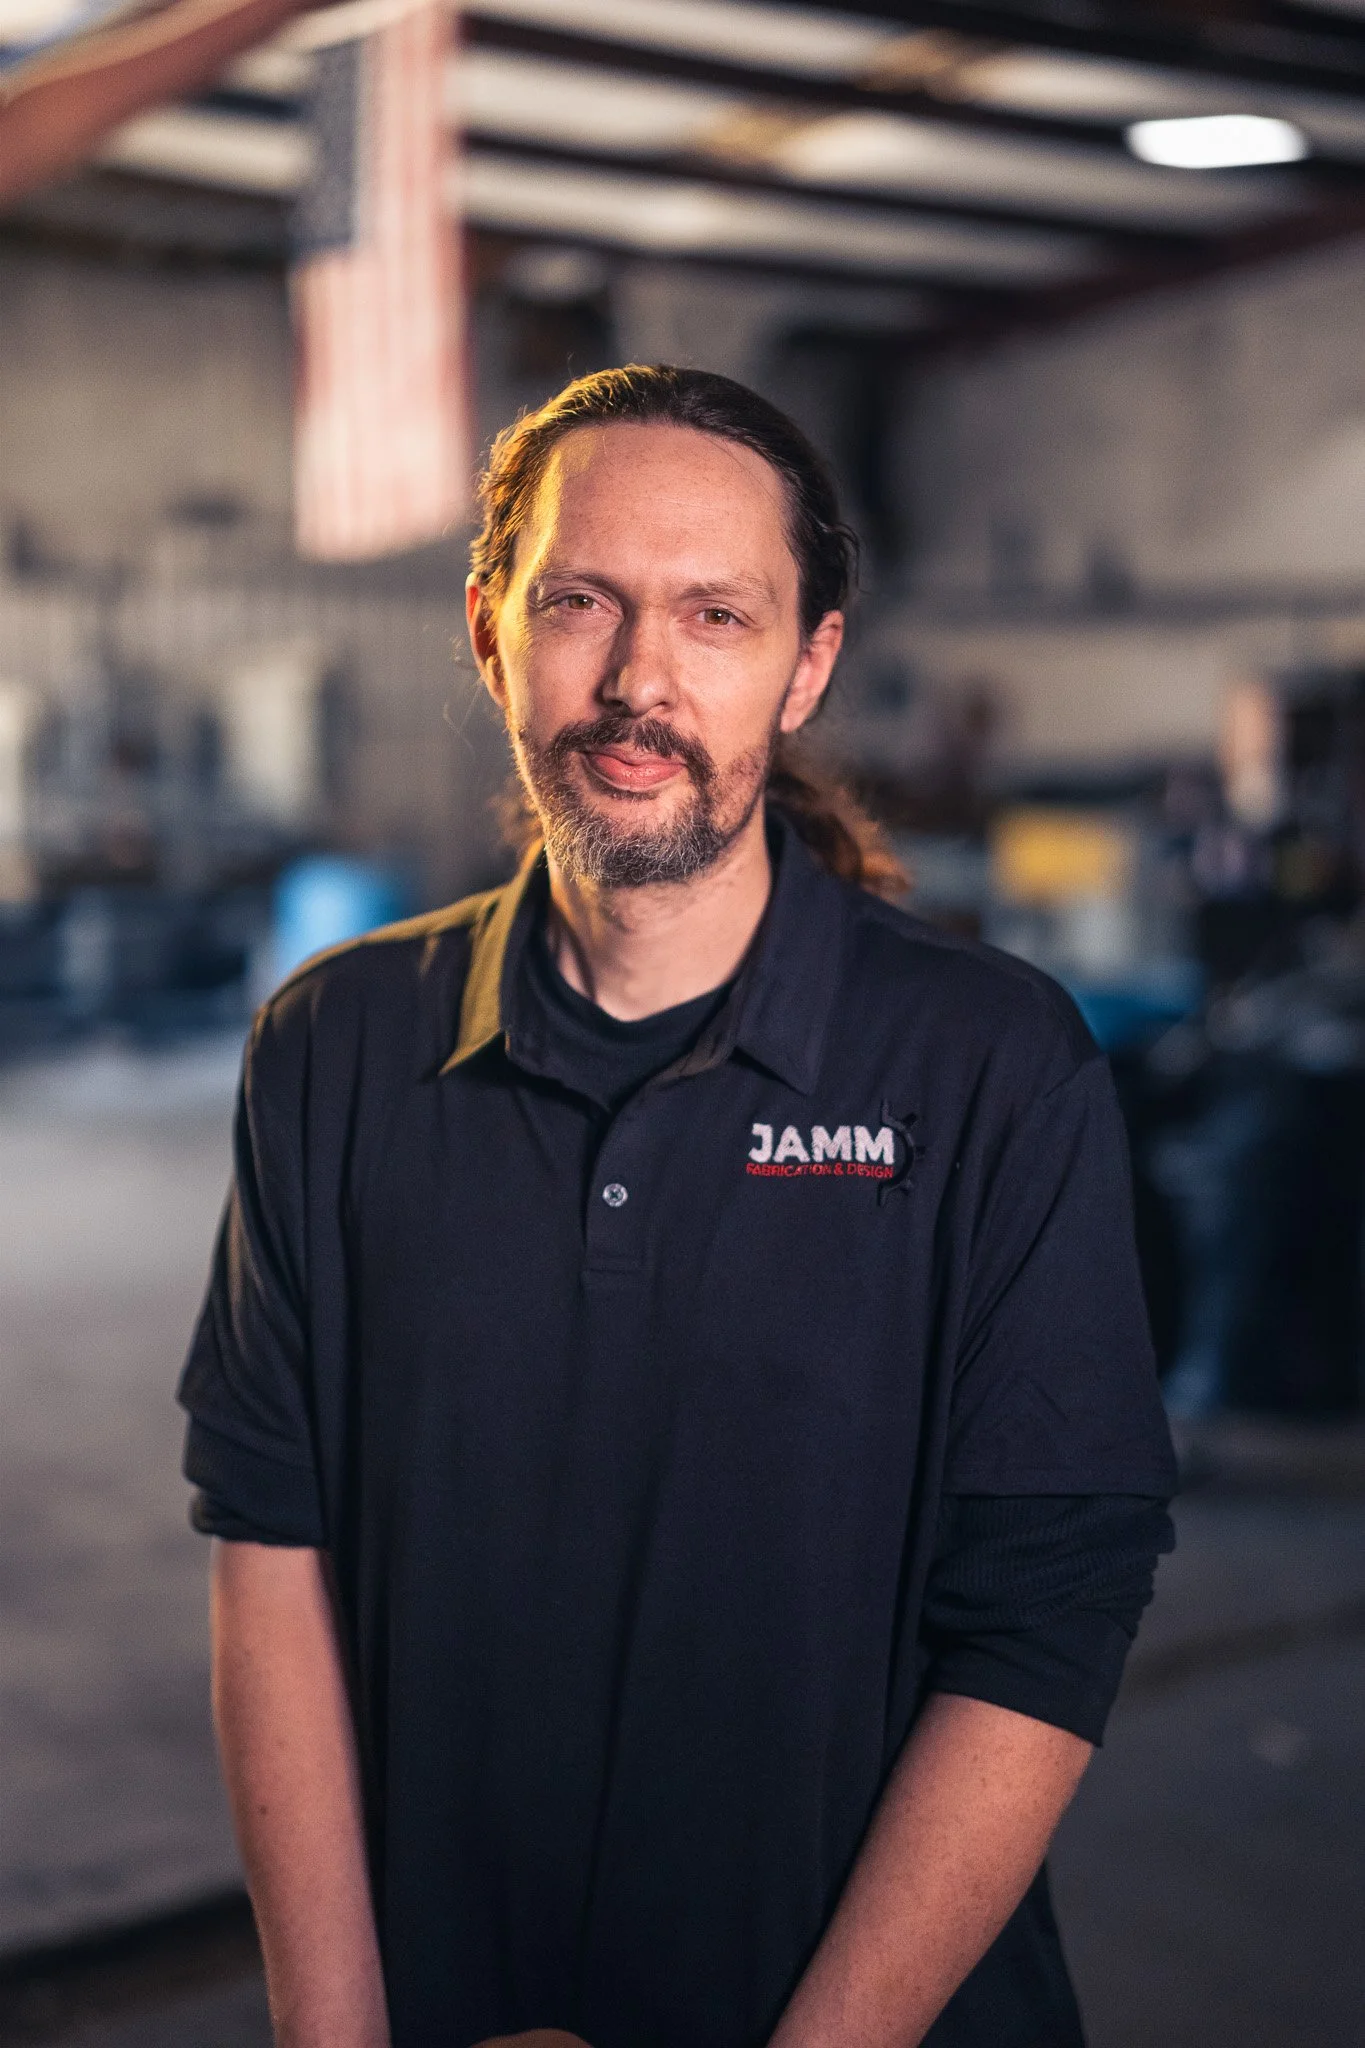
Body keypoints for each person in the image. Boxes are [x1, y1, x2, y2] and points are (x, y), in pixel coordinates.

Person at [179, 365, 1176, 2048]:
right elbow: (274, 1557)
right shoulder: (329, 1054)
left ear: (807, 668)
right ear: (491, 628)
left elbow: (1047, 1624)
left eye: (718, 615)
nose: (642, 681)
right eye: (584, 601)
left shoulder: (996, 1068)